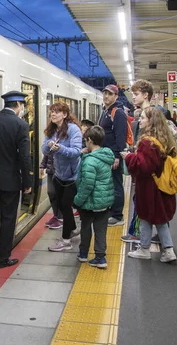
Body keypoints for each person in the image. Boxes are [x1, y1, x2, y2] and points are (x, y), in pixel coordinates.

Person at [122, 107, 177, 263]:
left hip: (149, 187)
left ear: (151, 121)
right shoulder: (164, 138)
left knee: (145, 216)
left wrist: (129, 157)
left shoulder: (147, 142)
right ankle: (169, 250)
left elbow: (144, 167)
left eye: (143, 118)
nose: (140, 120)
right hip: (162, 185)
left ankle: (144, 249)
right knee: (160, 219)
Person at [0, 91, 33, 268]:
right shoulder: (21, 125)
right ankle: (1, 258)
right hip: (11, 180)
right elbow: (24, 157)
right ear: (19, 105)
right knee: (8, 219)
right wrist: (28, 183)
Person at [73, 126, 115, 268]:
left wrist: (77, 200)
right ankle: (100, 257)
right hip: (104, 202)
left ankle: (83, 254)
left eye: (86, 140)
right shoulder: (106, 156)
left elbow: (87, 185)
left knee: (85, 228)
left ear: (89, 140)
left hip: (90, 203)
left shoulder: (90, 161)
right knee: (101, 230)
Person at [44, 102, 83, 252]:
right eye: (51, 111)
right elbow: (44, 149)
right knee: (60, 204)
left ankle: (66, 240)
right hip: (58, 174)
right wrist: (48, 145)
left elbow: (76, 152)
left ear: (65, 115)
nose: (53, 114)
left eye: (57, 112)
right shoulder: (52, 130)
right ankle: (72, 228)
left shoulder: (73, 130)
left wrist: (60, 148)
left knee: (66, 206)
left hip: (72, 176)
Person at [121, 79, 154, 244]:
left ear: (145, 95)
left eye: (136, 94)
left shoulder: (151, 115)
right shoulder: (144, 114)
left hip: (148, 167)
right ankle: (157, 237)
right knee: (146, 202)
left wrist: (132, 156)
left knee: (142, 201)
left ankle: (138, 234)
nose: (133, 97)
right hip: (146, 165)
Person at [97, 84, 127, 226]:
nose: (106, 96)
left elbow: (120, 135)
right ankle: (112, 210)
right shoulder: (106, 110)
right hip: (106, 153)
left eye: (110, 94)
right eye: (105, 93)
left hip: (112, 155)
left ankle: (118, 216)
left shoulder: (118, 112)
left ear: (116, 96)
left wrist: (116, 155)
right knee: (110, 184)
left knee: (116, 184)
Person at [40, 140, 63, 229]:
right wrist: (42, 166)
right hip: (50, 171)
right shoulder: (51, 136)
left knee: (59, 195)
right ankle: (56, 215)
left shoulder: (65, 135)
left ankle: (60, 217)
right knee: (51, 192)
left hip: (60, 171)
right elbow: (47, 153)